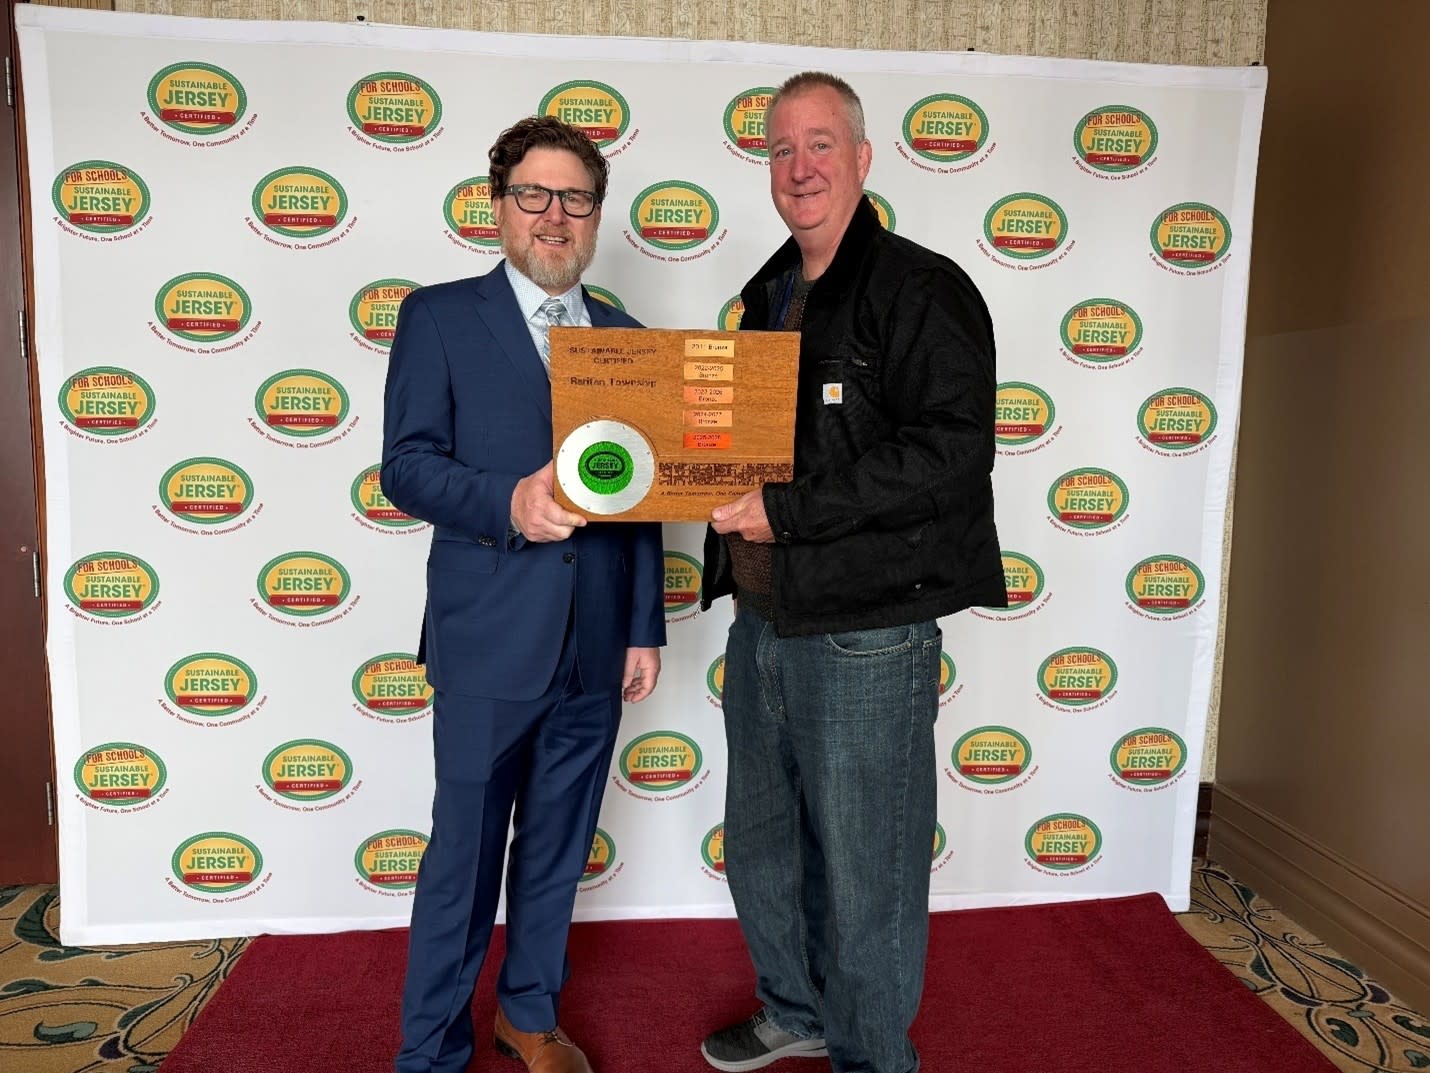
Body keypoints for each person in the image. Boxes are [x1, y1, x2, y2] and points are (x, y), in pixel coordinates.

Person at [698, 72, 1005, 1073]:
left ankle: (872, 1056)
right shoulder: (765, 292)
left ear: (863, 160)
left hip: (868, 630)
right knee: (763, 844)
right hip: (765, 621)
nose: (799, 167)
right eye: (781, 149)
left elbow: (951, 444)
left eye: (819, 144)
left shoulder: (920, 287)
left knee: (867, 870)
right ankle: (795, 1006)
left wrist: (783, 511)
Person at [381, 115, 665, 1073]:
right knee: (461, 859)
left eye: (575, 199)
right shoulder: (439, 317)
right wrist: (506, 500)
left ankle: (528, 1017)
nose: (555, 217)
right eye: (534, 196)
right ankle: (430, 1050)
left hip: (593, 646)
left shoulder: (627, 339)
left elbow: (643, 500)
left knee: (556, 849)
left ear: (595, 216)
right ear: (498, 207)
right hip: (487, 639)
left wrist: (642, 627)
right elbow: (407, 468)